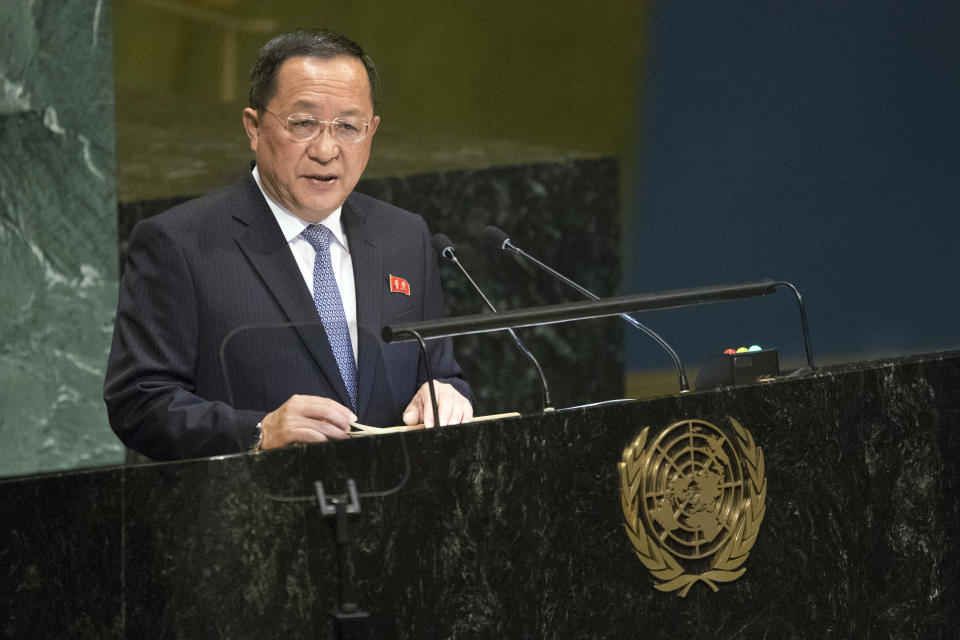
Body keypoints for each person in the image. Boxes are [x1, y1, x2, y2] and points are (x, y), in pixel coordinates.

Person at [104, 28, 472, 460]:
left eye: (349, 127)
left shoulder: (404, 236)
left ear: (372, 131)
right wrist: (257, 432)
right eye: (303, 124)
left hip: (390, 510)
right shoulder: (180, 243)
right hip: (254, 513)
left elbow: (441, 372)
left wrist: (445, 395)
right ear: (254, 128)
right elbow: (140, 402)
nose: (326, 149)